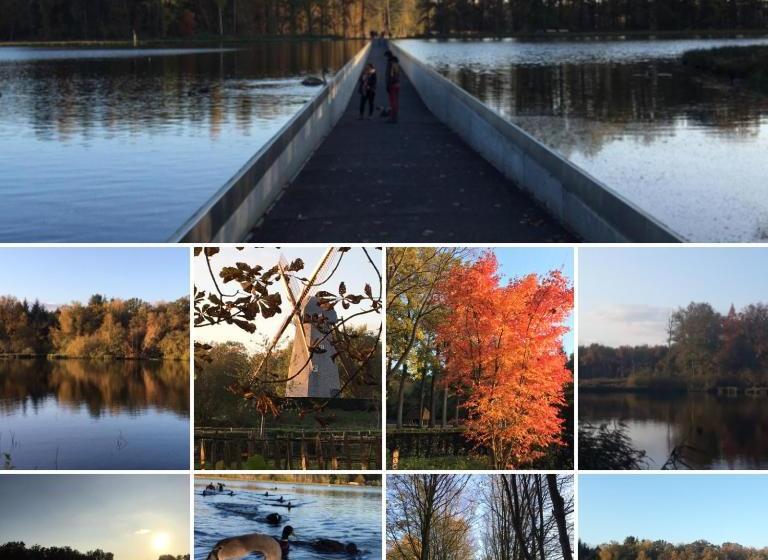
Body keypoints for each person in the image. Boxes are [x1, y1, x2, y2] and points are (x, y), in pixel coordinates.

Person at [386, 55, 401, 123]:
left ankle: (392, 118)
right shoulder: (397, 66)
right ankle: (395, 117)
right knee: (396, 101)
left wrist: (388, 85)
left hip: (392, 86)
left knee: (392, 102)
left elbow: (391, 77)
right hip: (397, 85)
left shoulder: (391, 66)